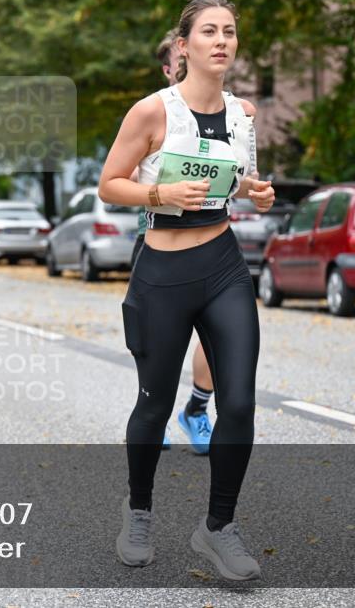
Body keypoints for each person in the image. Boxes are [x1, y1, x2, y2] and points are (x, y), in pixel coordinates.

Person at [98, 0, 274, 579]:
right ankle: (140, 510)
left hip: (223, 265)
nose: (221, 41)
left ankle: (218, 527)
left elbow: (237, 180)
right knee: (154, 403)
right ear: (184, 46)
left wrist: (257, 192)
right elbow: (109, 185)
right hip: (163, 272)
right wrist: (160, 195)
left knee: (240, 401)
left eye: (229, 32)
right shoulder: (151, 112)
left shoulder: (244, 114)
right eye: (208, 32)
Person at [130, 29, 219, 454]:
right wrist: (160, 185)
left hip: (215, 247)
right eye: (179, 64)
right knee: (158, 342)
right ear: (169, 69)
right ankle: (156, 411)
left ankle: (197, 410)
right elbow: (120, 178)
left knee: (220, 335)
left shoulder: (227, 112)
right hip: (160, 243)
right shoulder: (152, 113)